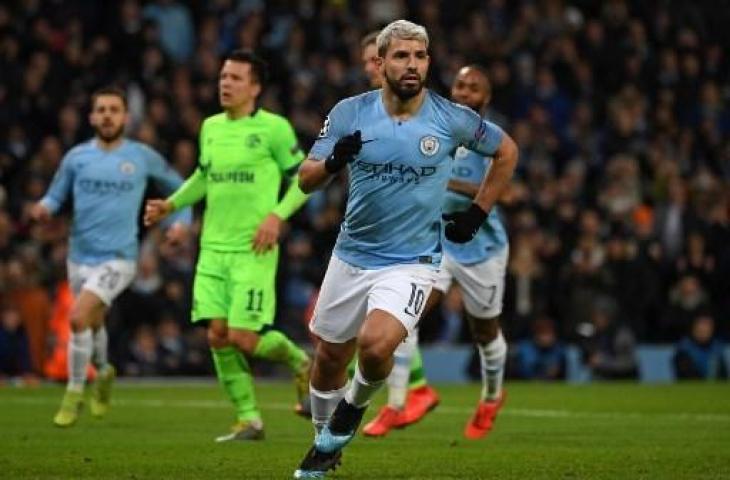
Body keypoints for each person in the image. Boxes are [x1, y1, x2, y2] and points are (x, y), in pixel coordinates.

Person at [293, 20, 518, 478]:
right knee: (330, 358)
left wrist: (477, 213)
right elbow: (305, 179)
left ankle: (350, 414)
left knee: (377, 347)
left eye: (419, 56)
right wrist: (335, 161)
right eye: (401, 56)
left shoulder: (449, 117)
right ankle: (324, 445)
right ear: (380, 63)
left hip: (414, 260)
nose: (412, 65)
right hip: (352, 254)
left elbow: (507, 151)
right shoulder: (350, 113)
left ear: (428, 62)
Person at [144, 49, 312, 442]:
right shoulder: (210, 127)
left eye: (235, 78)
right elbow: (204, 177)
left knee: (243, 337)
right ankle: (249, 419)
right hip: (212, 250)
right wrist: (172, 204)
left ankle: (300, 360)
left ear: (255, 87)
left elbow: (305, 178)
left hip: (253, 250)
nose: (225, 83)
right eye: (223, 76)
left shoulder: (275, 129)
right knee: (217, 335)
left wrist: (277, 216)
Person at [364, 65, 511, 439]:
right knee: (404, 316)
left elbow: (501, 190)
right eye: (460, 84)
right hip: (437, 244)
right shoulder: (439, 127)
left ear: (485, 98)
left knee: (484, 331)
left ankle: (492, 396)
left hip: (482, 248)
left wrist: (443, 179)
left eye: (473, 88)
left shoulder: (490, 139)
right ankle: (397, 404)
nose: (463, 92)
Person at [29, 86, 191, 427]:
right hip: (79, 256)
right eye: (100, 109)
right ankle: (104, 372)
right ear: (91, 116)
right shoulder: (76, 158)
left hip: (119, 257)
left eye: (113, 109)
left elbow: (180, 189)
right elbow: (54, 197)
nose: (107, 115)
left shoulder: (141, 156)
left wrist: (180, 224)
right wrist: (43, 209)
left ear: (125, 117)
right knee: (93, 320)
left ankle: (74, 393)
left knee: (77, 317)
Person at [358, 30, 439, 434]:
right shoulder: (368, 116)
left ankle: (398, 401)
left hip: (424, 239)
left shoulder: (432, 117)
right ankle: (415, 389)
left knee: (396, 318)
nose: (371, 68)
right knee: (394, 320)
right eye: (368, 62)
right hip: (381, 239)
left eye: (375, 59)